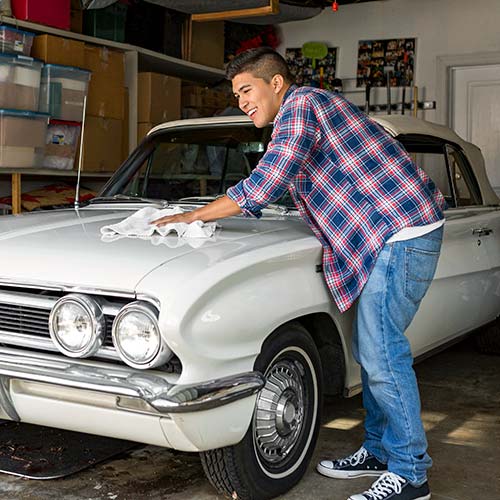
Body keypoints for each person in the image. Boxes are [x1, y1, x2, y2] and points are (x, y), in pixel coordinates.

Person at [153, 47, 445, 500]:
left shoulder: (302, 105)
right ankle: (379, 452)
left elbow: (267, 182)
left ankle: (411, 473)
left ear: (275, 84)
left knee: (383, 355)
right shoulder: (306, 112)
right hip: (390, 232)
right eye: (236, 95)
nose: (242, 101)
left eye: (246, 90)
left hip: (402, 232)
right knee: (372, 352)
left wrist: (194, 217)